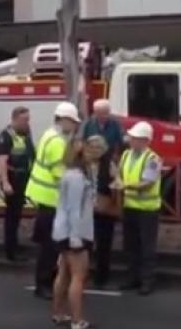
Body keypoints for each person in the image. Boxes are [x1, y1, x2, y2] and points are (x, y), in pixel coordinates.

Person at [26, 101, 81, 300]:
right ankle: (44, 284)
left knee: (48, 244)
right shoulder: (57, 141)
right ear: (63, 120)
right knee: (50, 245)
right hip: (50, 199)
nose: (75, 126)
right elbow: (60, 173)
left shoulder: (50, 134)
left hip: (44, 198)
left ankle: (45, 282)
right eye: (73, 122)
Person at [51, 136, 104, 329]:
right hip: (75, 233)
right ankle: (77, 320)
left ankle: (58, 314)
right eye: (89, 151)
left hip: (64, 231)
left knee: (64, 273)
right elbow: (74, 209)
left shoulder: (72, 174)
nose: (94, 154)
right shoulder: (76, 178)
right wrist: (75, 238)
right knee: (78, 276)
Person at [81, 99, 124, 288]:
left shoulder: (110, 164)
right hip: (88, 208)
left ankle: (101, 277)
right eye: (93, 148)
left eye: (99, 148)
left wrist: (115, 199)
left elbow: (118, 184)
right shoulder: (84, 165)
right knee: (86, 243)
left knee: (104, 243)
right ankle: (84, 274)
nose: (95, 151)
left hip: (105, 208)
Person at [116, 121, 162, 296]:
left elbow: (147, 183)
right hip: (130, 207)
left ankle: (147, 281)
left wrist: (124, 186)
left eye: (134, 138)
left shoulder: (153, 160)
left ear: (144, 140)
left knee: (147, 247)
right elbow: (120, 174)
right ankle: (132, 278)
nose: (130, 140)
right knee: (131, 246)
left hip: (147, 209)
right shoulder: (126, 155)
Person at [0, 106, 35, 262]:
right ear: (14, 119)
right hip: (13, 178)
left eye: (28, 119)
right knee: (11, 216)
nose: (27, 122)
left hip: (24, 178)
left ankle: (15, 245)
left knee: (17, 215)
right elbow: (2, 161)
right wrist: (6, 183)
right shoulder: (6, 136)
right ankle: (11, 251)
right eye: (24, 119)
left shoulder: (25, 133)